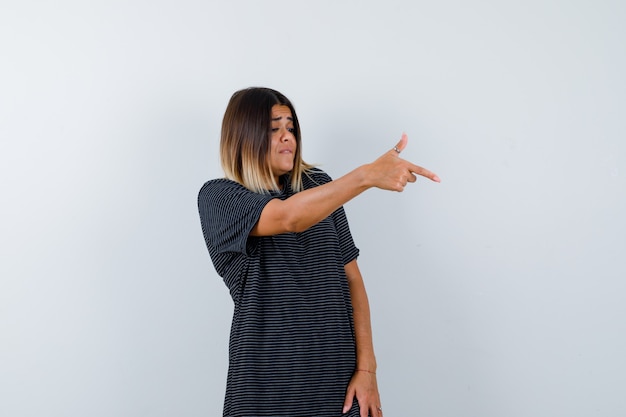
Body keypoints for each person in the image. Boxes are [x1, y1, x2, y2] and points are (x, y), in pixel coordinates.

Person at [198, 87, 440, 417]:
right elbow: (288, 217)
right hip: (263, 392)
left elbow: (352, 279)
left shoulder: (318, 185)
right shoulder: (220, 197)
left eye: (291, 127)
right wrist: (366, 175)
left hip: (339, 390)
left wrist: (367, 371)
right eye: (274, 128)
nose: (287, 137)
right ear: (244, 136)